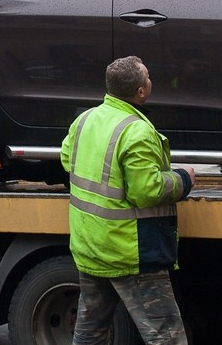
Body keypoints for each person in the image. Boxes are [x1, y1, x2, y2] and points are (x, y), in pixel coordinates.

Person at [61, 56, 196, 345]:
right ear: (141, 92)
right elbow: (146, 191)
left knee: (89, 332)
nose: (150, 80)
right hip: (130, 252)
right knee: (165, 337)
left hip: (91, 246)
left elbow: (66, 159)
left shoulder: (84, 121)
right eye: (148, 77)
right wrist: (184, 179)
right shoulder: (137, 132)